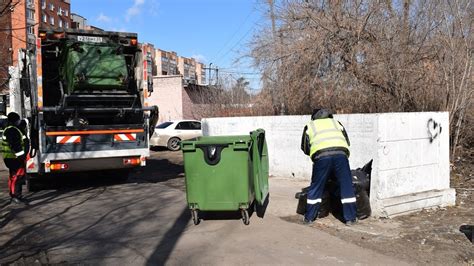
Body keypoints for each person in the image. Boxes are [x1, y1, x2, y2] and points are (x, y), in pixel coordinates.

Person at [300, 108, 357, 225]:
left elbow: (305, 147)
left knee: (316, 186)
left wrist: (315, 154)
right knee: (346, 185)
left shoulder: (310, 126)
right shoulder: (337, 123)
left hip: (321, 157)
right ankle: (350, 218)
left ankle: (310, 218)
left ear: (314, 117)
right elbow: (347, 141)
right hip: (341, 155)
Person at [1, 112, 29, 205]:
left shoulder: (11, 129)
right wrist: (21, 156)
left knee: (14, 176)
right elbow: (15, 145)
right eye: (18, 119)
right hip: (14, 158)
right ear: (15, 120)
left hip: (12, 158)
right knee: (17, 177)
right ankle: (15, 196)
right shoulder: (12, 130)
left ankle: (17, 196)